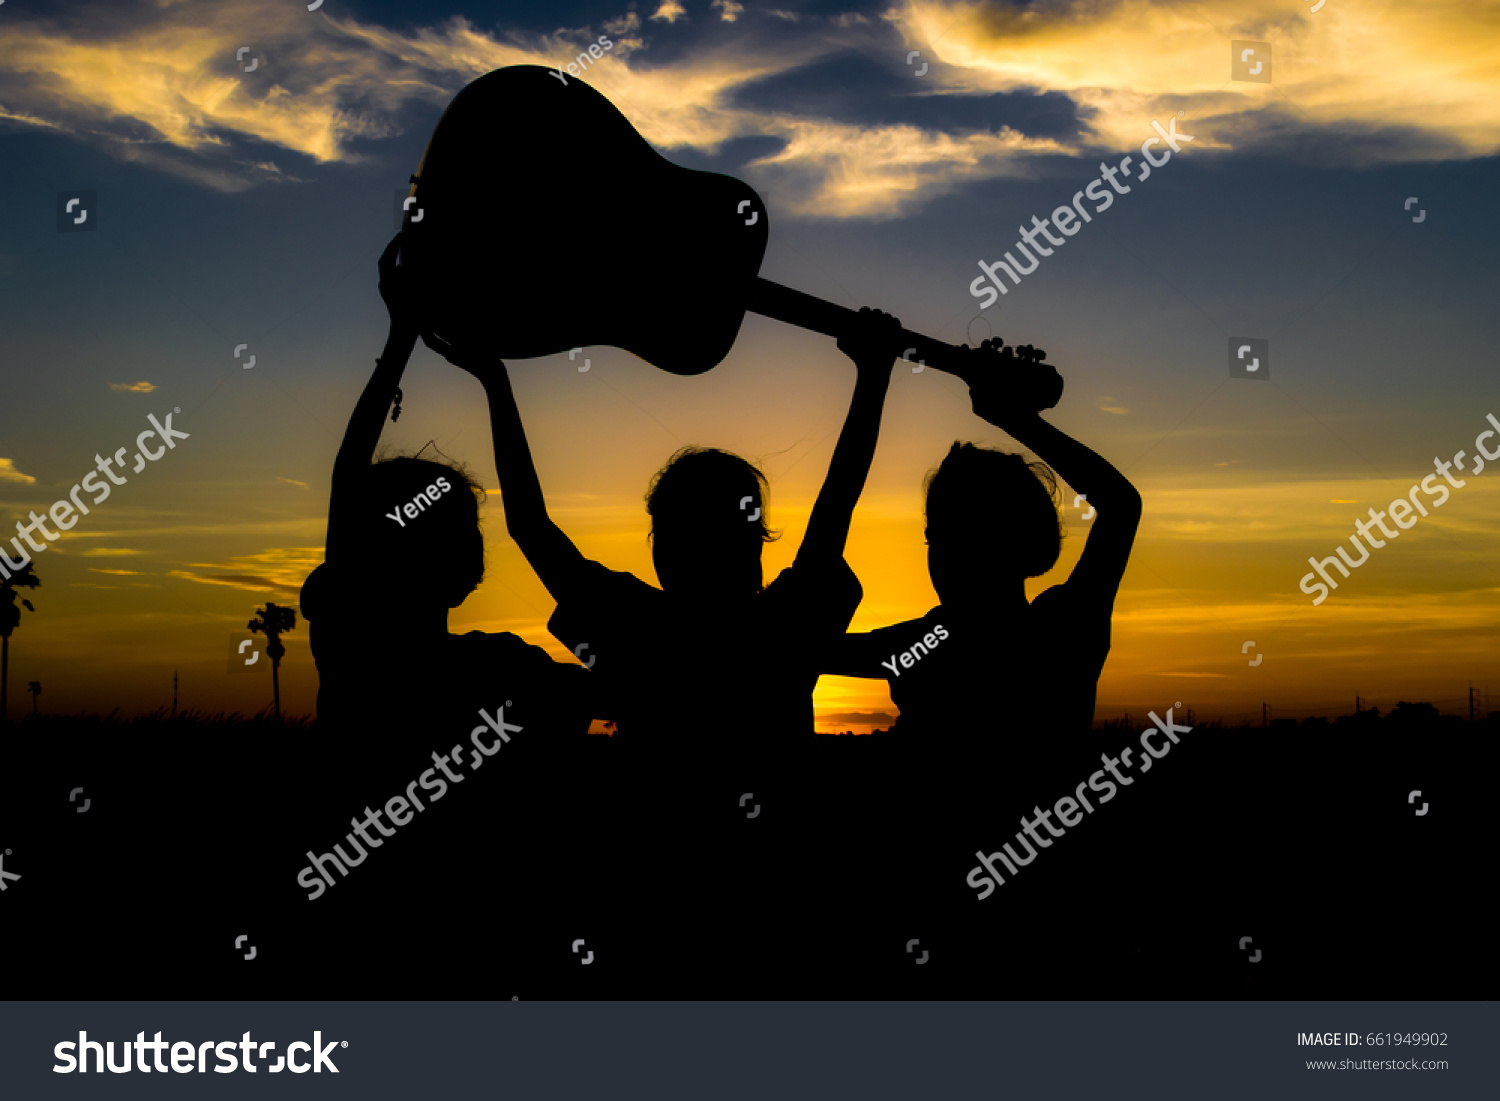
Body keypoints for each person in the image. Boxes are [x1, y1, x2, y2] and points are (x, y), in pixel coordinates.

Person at [422, 307, 905, 976]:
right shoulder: (781, 626)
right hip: (776, 914)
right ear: (756, 547)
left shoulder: (636, 625)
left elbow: (531, 527)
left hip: (651, 911)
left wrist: (495, 380)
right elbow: (838, 503)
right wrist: (874, 374)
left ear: (662, 550)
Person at [819, 337, 1142, 974]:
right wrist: (880, 377)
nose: (942, 553)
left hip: (1010, 923)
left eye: (962, 535)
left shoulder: (1055, 629)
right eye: (937, 536)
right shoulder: (953, 638)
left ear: (1017, 545)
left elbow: (1121, 505)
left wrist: (1011, 417)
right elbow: (795, 645)